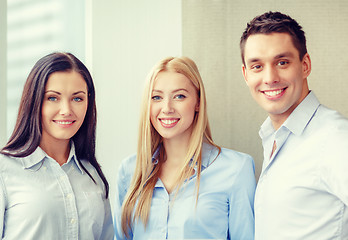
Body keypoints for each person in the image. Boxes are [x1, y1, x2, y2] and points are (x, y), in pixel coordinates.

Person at [114, 56, 256, 239]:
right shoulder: (130, 170)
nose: (167, 108)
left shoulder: (236, 168)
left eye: (179, 96)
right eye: (156, 97)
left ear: (198, 102)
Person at [240, 11, 348, 240]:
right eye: (257, 66)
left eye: (282, 62)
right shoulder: (274, 137)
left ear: (305, 65)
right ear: (246, 74)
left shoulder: (335, 138)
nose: (270, 77)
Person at [0, 52, 114, 239]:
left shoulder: (93, 175)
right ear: (34, 101)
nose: (66, 110)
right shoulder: (4, 171)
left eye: (77, 98)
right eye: (53, 98)